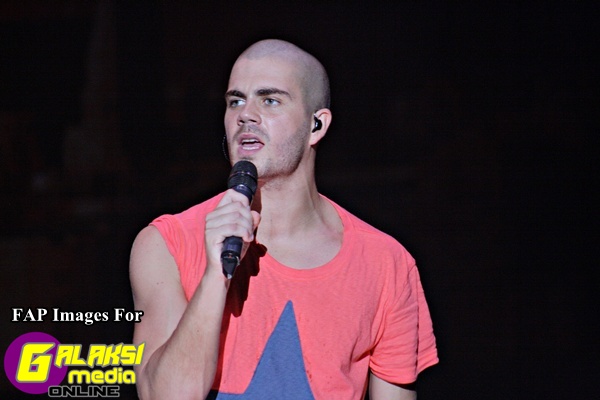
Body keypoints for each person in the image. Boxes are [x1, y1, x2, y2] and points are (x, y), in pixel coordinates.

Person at [129, 39, 438, 400]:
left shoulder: (386, 263)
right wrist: (216, 275)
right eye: (236, 101)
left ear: (316, 125)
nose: (246, 115)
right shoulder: (166, 243)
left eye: (270, 100)